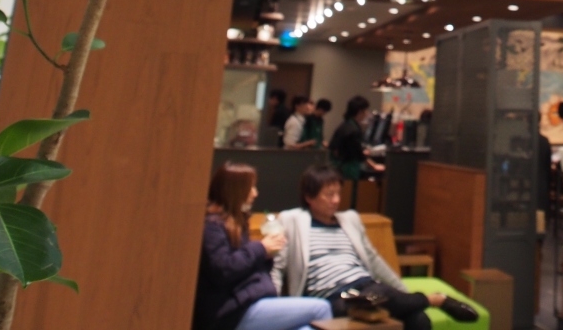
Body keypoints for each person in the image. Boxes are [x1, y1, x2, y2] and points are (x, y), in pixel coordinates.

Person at [273, 165, 477, 325]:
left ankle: (416, 302)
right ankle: (435, 300)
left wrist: (403, 293)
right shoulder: (291, 221)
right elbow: (278, 266)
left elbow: (374, 260)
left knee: (418, 319)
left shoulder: (349, 220)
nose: (336, 200)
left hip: (366, 285)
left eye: (338, 193)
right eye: (329, 195)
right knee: (378, 296)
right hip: (333, 297)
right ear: (309, 197)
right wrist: (270, 305)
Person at [194, 162, 331, 330]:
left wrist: (267, 254)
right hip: (233, 313)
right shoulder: (212, 226)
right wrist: (261, 248)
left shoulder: (236, 223)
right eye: (251, 188)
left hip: (251, 302)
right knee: (321, 309)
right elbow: (223, 269)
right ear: (236, 190)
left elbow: (244, 265)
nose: (255, 193)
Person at [330, 96, 382, 182]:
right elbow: (358, 154)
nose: (367, 113)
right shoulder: (353, 130)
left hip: (340, 167)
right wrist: (374, 166)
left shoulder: (346, 125)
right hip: (348, 169)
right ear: (360, 111)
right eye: (366, 110)